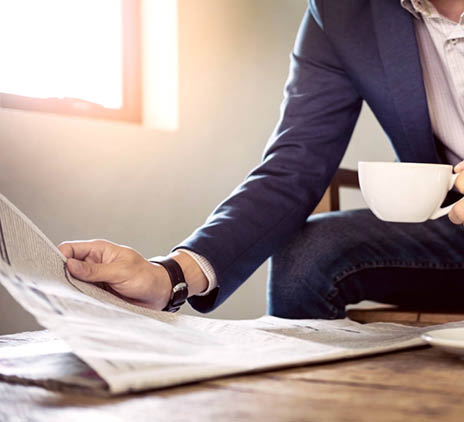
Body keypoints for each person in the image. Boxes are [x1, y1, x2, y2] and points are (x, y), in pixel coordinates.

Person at [59, 0, 464, 318]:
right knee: (310, 254)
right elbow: (294, 165)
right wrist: (170, 276)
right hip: (453, 235)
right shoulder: (341, 11)